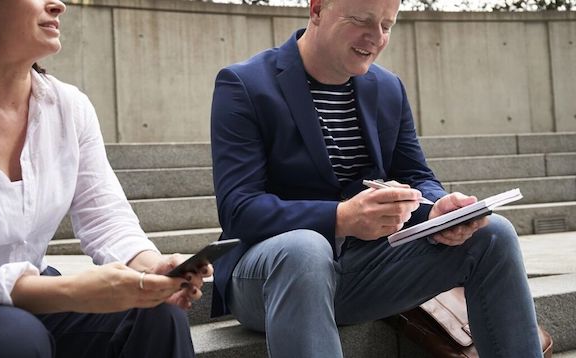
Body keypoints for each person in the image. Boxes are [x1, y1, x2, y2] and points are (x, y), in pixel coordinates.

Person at [209, 0, 543, 356]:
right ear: (317, 9)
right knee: (305, 247)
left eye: (387, 26)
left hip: (364, 271)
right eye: (361, 21)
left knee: (494, 233)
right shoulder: (243, 84)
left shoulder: (388, 88)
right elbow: (239, 209)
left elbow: (417, 174)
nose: (375, 38)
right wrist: (341, 219)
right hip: (270, 276)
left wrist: (436, 210)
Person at [0, 1, 211, 357]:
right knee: (15, 335)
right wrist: (72, 290)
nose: (58, 4)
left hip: (29, 300)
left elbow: (106, 219)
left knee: (157, 315)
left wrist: (151, 268)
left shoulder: (68, 106)